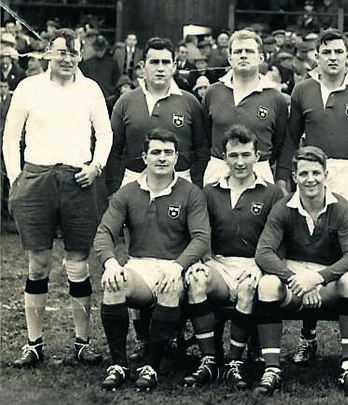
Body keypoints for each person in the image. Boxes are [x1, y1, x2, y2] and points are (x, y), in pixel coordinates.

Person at [4, 28, 110, 369]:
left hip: (79, 180)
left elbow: (105, 134)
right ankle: (34, 344)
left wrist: (96, 166)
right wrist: (16, 177)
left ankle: (82, 343)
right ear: (48, 53)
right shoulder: (28, 87)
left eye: (74, 53)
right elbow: (10, 137)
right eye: (62, 52)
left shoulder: (90, 89)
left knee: (78, 264)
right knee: (39, 264)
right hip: (36, 178)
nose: (68, 59)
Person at [96, 128, 210, 391]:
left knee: (170, 287)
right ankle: (119, 364)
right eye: (156, 152)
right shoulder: (127, 192)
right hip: (139, 265)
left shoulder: (191, 192)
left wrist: (179, 266)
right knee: (114, 283)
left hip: (174, 265)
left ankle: (151, 365)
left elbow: (201, 238)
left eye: (168, 152)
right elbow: (104, 232)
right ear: (144, 157)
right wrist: (111, 263)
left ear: (176, 157)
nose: (162, 158)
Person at [253, 146, 348, 397]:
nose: (310, 179)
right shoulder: (284, 207)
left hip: (326, 281)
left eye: (316, 172)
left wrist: (317, 279)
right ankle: (272, 368)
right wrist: (294, 278)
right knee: (268, 285)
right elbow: (263, 252)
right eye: (303, 173)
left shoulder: (341, 207)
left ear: (326, 174)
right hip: (293, 277)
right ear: (294, 176)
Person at [181, 125, 284, 389]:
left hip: (255, 264)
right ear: (224, 157)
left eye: (246, 155)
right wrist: (201, 261)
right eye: (234, 155)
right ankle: (209, 361)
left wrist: (263, 268)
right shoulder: (210, 191)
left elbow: (280, 239)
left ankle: (234, 363)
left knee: (249, 287)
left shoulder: (272, 193)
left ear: (257, 156)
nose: (240, 162)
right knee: (196, 280)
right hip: (219, 263)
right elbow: (200, 234)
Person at [277, 29, 348, 203]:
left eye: (338, 52)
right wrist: (282, 176)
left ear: (347, 56)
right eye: (326, 52)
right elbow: (291, 139)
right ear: (317, 57)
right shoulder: (302, 89)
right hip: (313, 171)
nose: (333, 57)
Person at [107, 37, 209, 194]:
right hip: (133, 182)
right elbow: (114, 151)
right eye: (154, 62)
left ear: (174, 66)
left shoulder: (190, 102)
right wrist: (114, 191)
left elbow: (201, 149)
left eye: (166, 62)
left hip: (180, 183)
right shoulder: (125, 102)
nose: (160, 68)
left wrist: (196, 187)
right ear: (143, 66)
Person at [202, 30, 287, 186]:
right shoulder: (212, 93)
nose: (243, 55)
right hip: (219, 169)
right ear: (230, 58)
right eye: (238, 51)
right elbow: (204, 138)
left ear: (260, 57)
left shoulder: (275, 97)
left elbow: (280, 144)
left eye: (249, 51)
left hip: (259, 171)